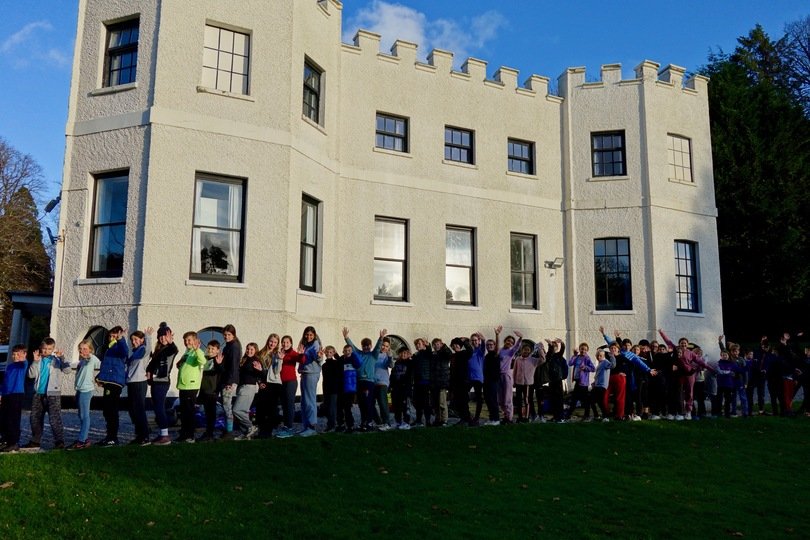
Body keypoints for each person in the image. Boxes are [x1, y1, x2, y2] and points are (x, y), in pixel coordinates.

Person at [26, 337, 71, 449]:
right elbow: (30, 375)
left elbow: (68, 370)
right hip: (38, 393)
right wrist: (35, 361)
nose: (46, 351)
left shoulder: (56, 361)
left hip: (53, 394)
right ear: (41, 348)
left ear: (53, 349)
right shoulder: (38, 360)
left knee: (54, 418)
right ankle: (35, 441)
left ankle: (59, 441)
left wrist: (62, 358)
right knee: (35, 418)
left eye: (49, 349)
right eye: (44, 348)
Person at [343, 327, 387, 431]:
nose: (366, 347)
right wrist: (346, 338)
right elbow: (352, 348)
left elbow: (378, 348)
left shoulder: (373, 355)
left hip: (369, 382)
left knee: (368, 402)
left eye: (368, 345)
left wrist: (381, 338)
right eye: (364, 345)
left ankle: (369, 422)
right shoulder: (359, 354)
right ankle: (363, 422)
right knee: (361, 403)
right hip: (359, 382)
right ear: (362, 346)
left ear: (370, 346)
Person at [145, 323, 178, 445]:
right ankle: (161, 433)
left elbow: (174, 350)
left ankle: (165, 435)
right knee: (157, 408)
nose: (163, 338)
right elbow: (151, 365)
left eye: (165, 336)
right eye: (161, 336)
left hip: (162, 382)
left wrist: (171, 342)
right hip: (155, 382)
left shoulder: (169, 349)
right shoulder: (159, 351)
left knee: (159, 407)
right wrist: (149, 374)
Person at [69, 340, 101, 449]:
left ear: (90, 350)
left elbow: (100, 365)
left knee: (84, 416)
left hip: (86, 390)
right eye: (80, 349)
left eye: (85, 349)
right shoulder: (82, 361)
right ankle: (85, 438)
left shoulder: (92, 359)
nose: (82, 351)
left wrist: (99, 378)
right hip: (80, 390)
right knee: (81, 415)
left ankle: (81, 440)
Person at [176, 331, 207, 442]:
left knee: (189, 412)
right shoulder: (187, 352)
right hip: (183, 386)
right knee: (184, 412)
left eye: (189, 340)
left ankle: (190, 435)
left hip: (191, 386)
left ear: (195, 341)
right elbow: (182, 365)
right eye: (185, 340)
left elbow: (203, 361)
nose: (187, 342)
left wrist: (197, 350)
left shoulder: (197, 352)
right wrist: (179, 364)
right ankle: (183, 434)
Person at [126, 328, 153, 445]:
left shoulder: (143, 350)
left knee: (139, 410)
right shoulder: (135, 352)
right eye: (132, 340)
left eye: (136, 339)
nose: (133, 342)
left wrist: (148, 337)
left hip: (139, 382)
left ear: (142, 340)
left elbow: (148, 348)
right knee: (132, 410)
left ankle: (145, 436)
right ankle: (140, 434)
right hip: (132, 383)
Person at [0, 344, 28, 453]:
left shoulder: (22, 365)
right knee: (4, 418)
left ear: (24, 354)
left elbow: (24, 364)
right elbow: (5, 381)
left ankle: (13, 442)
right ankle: (5, 439)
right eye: (14, 354)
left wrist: (23, 358)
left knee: (13, 419)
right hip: (6, 395)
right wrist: (1, 393)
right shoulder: (10, 366)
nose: (15, 356)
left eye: (18, 354)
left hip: (16, 395)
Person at [233, 342, 262, 440]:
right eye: (248, 349)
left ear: (255, 350)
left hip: (248, 387)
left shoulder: (255, 361)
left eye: (251, 349)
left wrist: (259, 371)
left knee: (236, 410)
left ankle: (250, 427)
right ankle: (246, 433)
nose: (249, 351)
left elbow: (259, 373)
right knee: (243, 411)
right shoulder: (245, 360)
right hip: (242, 387)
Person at [297, 326, 322, 437]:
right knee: (304, 401)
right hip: (305, 373)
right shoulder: (306, 345)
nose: (308, 336)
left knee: (310, 401)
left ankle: (312, 426)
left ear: (314, 335)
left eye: (311, 335)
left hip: (311, 374)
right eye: (307, 334)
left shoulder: (315, 344)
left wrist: (319, 356)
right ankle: (306, 426)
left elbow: (318, 357)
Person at [218, 324, 242, 439]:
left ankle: (229, 431)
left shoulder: (234, 347)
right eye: (225, 334)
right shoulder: (228, 346)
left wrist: (229, 382)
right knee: (225, 405)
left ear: (233, 335)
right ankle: (227, 429)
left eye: (229, 334)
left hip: (230, 380)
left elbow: (233, 366)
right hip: (226, 379)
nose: (226, 337)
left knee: (227, 406)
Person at [256, 334, 282, 438]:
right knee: (261, 408)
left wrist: (280, 360)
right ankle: (261, 431)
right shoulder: (260, 353)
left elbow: (277, 371)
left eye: (275, 342)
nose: (272, 344)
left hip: (274, 383)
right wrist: (259, 382)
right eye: (271, 341)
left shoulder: (277, 354)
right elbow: (256, 370)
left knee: (271, 409)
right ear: (268, 341)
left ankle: (268, 432)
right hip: (263, 382)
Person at [198, 339, 224, 442]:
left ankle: (210, 434)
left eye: (213, 349)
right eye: (209, 348)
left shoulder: (218, 360)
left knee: (211, 413)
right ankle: (208, 432)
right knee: (207, 413)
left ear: (218, 350)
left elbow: (221, 371)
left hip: (212, 390)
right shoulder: (206, 359)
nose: (210, 350)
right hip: (204, 389)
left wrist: (219, 364)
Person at [276, 335, 300, 438]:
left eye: (287, 342)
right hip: (281, 382)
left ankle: (289, 428)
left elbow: (301, 360)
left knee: (289, 405)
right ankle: (286, 425)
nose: (285, 344)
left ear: (291, 343)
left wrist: (301, 354)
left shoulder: (293, 353)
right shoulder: (280, 353)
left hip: (291, 382)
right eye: (283, 342)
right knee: (284, 405)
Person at [497, 331, 524, 423]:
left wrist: (520, 338)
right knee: (500, 398)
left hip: (507, 376)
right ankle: (505, 415)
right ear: (505, 341)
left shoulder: (511, 352)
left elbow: (517, 347)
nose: (510, 343)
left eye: (512, 342)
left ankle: (509, 418)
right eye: (508, 341)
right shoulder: (500, 350)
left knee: (507, 398)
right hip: (499, 376)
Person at [513, 341, 542, 422]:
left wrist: (540, 349)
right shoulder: (518, 359)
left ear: (530, 351)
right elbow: (515, 371)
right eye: (524, 349)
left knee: (527, 400)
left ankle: (526, 417)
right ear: (521, 350)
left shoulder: (533, 360)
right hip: (518, 383)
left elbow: (543, 359)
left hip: (528, 384)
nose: (526, 351)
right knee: (518, 400)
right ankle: (520, 417)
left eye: (528, 350)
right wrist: (514, 381)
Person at [449, 337, 473, 425]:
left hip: (463, 382)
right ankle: (464, 418)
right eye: (453, 345)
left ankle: (467, 418)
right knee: (458, 401)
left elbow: (470, 350)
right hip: (455, 382)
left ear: (460, 346)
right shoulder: (453, 356)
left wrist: (465, 341)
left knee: (464, 401)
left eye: (457, 344)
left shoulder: (464, 353)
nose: (455, 346)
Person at [568, 343, 595, 420]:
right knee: (574, 399)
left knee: (584, 400)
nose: (583, 351)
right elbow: (570, 363)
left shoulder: (587, 358)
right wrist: (574, 355)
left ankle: (586, 415)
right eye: (582, 349)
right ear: (579, 349)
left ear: (587, 351)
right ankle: (568, 414)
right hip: (577, 381)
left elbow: (593, 368)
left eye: (585, 350)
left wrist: (585, 367)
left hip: (583, 383)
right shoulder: (577, 357)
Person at [430, 338, 452, 427]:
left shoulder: (444, 354)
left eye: (438, 344)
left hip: (442, 382)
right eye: (434, 345)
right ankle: (438, 419)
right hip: (434, 382)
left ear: (441, 344)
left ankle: (444, 420)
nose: (436, 346)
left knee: (442, 402)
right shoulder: (433, 355)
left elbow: (449, 354)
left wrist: (444, 346)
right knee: (435, 403)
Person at [373, 337, 394, 430]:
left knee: (382, 403)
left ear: (389, 348)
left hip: (382, 383)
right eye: (383, 345)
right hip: (373, 382)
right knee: (370, 404)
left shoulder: (387, 356)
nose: (384, 347)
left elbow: (391, 365)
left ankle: (386, 423)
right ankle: (379, 422)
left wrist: (390, 356)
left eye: (386, 346)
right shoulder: (374, 354)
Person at [390, 346, 413, 429]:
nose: (403, 354)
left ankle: (407, 422)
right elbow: (392, 375)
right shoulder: (397, 363)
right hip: (396, 388)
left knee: (405, 406)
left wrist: (411, 357)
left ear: (408, 354)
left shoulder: (410, 363)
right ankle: (398, 421)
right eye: (401, 353)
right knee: (397, 406)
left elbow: (410, 374)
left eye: (405, 353)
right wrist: (391, 385)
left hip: (405, 388)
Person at [411, 338, 433, 427]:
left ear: (423, 344)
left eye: (419, 343)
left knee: (426, 402)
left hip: (425, 381)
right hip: (417, 381)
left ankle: (428, 421)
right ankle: (418, 420)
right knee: (417, 402)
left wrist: (428, 345)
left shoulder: (426, 353)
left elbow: (429, 352)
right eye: (416, 344)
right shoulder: (416, 355)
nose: (417, 345)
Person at [337, 345, 359, 433]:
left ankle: (350, 425)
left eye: (349, 350)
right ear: (343, 351)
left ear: (351, 351)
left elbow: (358, 365)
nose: (347, 352)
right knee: (339, 407)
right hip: (341, 386)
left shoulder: (353, 359)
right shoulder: (341, 359)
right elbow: (338, 364)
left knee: (347, 408)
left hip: (350, 388)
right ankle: (341, 424)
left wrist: (353, 356)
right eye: (345, 350)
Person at [321, 345, 342, 432]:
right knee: (327, 407)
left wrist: (336, 354)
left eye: (331, 352)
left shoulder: (336, 363)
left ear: (333, 353)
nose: (328, 354)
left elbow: (341, 362)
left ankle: (331, 425)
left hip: (334, 389)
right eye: (327, 352)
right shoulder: (324, 365)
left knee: (332, 408)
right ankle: (331, 423)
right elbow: (325, 379)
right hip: (327, 389)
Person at [546, 338, 568, 423]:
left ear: (557, 348)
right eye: (552, 346)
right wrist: (550, 345)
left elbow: (562, 349)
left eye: (555, 346)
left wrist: (562, 343)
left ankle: (561, 417)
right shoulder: (549, 356)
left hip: (558, 380)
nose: (553, 347)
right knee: (553, 399)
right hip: (551, 381)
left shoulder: (559, 355)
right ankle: (555, 416)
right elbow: (549, 353)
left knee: (559, 399)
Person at [591, 347, 616, 421]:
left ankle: (604, 416)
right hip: (597, 385)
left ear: (604, 356)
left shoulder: (605, 362)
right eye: (597, 356)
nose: (599, 357)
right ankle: (601, 416)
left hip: (602, 386)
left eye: (600, 356)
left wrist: (612, 356)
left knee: (596, 401)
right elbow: (599, 375)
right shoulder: (600, 363)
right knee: (597, 401)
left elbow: (613, 365)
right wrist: (594, 382)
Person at [482, 332, 502, 426]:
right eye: (488, 345)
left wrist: (497, 335)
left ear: (494, 346)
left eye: (491, 344)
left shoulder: (495, 354)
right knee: (488, 400)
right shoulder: (486, 356)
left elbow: (498, 347)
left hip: (493, 381)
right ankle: (492, 418)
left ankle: (496, 419)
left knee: (493, 400)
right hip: (486, 380)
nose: (489, 346)